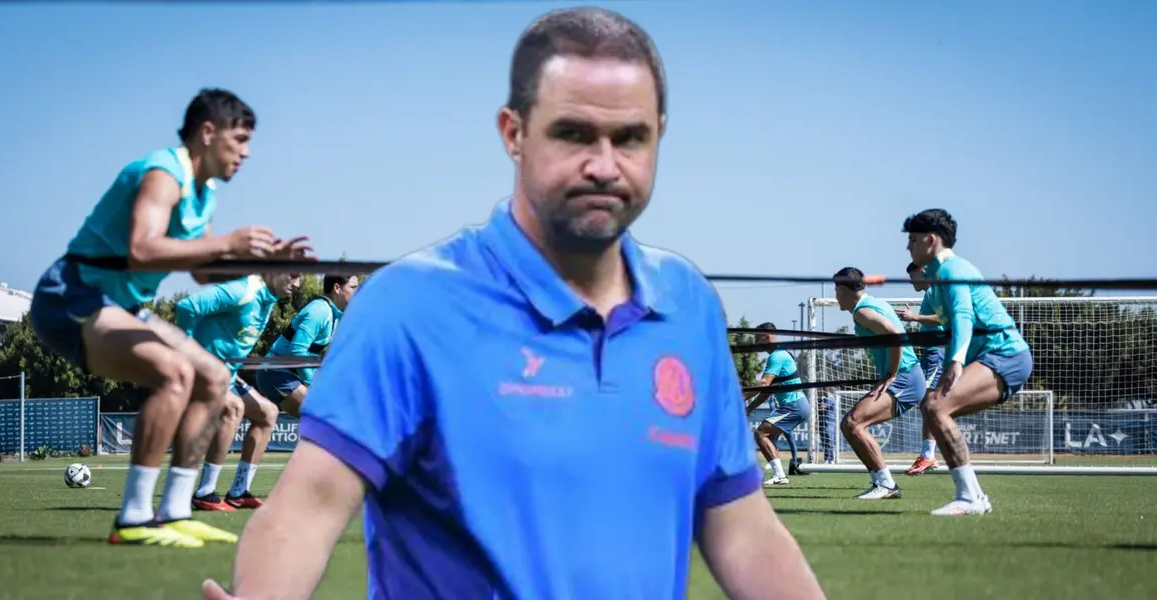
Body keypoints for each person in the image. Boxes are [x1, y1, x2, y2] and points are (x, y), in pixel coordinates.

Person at [203, 8, 823, 600]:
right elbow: (310, 504)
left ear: (658, 135)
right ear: (514, 133)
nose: (603, 165)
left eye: (629, 137)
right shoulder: (411, 305)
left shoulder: (687, 304)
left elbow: (738, 522)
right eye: (573, 133)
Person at [29, 88, 312, 548]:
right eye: (239, 139)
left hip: (121, 305)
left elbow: (201, 271)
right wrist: (228, 243)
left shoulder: (205, 192)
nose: (246, 152)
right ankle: (134, 519)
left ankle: (176, 510)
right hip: (73, 296)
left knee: (214, 378)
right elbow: (143, 249)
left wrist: (262, 259)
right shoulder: (164, 172)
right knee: (175, 372)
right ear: (207, 133)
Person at [903, 208, 1033, 516]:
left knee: (935, 406)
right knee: (933, 406)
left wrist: (957, 363)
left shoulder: (952, 270)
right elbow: (949, 327)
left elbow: (962, 316)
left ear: (931, 240)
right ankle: (972, 497)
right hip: (992, 357)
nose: (908, 247)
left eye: (912, 240)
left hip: (1006, 355)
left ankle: (970, 497)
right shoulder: (936, 280)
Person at [174, 272, 302, 511]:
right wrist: (187, 354)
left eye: (300, 278)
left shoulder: (269, 300)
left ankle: (239, 492)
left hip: (227, 377)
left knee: (268, 413)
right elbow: (187, 306)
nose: (297, 284)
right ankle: (205, 493)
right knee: (234, 408)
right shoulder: (243, 290)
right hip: (201, 372)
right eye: (293, 276)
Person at [833, 266, 926, 500]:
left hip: (905, 378)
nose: (836, 296)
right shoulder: (874, 303)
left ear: (844, 290)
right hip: (906, 376)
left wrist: (891, 373)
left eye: (837, 289)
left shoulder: (862, 312)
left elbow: (895, 336)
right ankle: (880, 483)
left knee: (854, 423)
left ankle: (886, 485)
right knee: (849, 425)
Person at [252, 274, 360, 417]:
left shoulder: (333, 315)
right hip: (275, 374)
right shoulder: (320, 311)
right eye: (353, 287)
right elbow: (297, 351)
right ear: (337, 288)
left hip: (285, 375)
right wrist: (313, 385)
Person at [897, 262, 944, 475]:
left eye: (913, 276)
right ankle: (927, 455)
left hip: (937, 352)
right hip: (931, 352)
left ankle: (928, 455)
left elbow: (944, 318)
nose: (911, 282)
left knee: (928, 402)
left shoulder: (935, 290)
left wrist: (914, 317)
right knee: (929, 403)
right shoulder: (929, 294)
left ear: (923, 272)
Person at [747, 323, 810, 485]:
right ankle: (779, 475)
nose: (755, 343)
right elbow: (768, 390)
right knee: (768, 436)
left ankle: (780, 476)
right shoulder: (780, 354)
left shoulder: (776, 356)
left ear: (767, 337)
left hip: (794, 405)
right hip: (793, 405)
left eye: (757, 338)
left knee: (760, 434)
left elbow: (763, 384)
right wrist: (749, 408)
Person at [816, 386, 838, 464]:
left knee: (829, 441)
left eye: (821, 390)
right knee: (824, 442)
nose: (819, 392)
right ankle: (826, 458)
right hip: (822, 423)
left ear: (825, 390)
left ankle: (831, 459)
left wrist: (815, 407)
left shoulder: (831, 399)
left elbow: (822, 408)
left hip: (829, 423)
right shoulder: (822, 399)